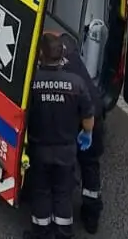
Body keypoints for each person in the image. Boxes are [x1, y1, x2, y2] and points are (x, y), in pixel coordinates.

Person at [24, 31, 95, 239]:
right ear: (62, 54)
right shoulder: (76, 83)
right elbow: (88, 116)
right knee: (63, 194)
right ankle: (63, 233)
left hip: (40, 149)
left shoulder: (32, 82)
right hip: (66, 151)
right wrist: (87, 134)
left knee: (41, 192)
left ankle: (41, 232)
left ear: (41, 56)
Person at [59, 32, 105, 234]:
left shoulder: (63, 71)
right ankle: (91, 217)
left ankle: (62, 212)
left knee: (66, 163)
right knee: (90, 167)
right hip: (94, 119)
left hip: (83, 120)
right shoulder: (77, 64)